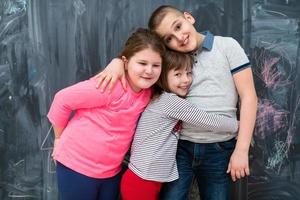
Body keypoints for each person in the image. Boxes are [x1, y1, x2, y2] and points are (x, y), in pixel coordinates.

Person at [95, 5, 257, 200]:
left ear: (189, 17)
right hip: (180, 148)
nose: (179, 37)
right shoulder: (171, 59)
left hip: (219, 148)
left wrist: (241, 149)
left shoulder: (226, 46)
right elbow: (142, 57)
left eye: (178, 26)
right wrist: (118, 62)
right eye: (169, 39)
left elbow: (248, 96)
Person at [47, 28, 165, 200]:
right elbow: (62, 99)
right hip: (77, 166)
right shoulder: (110, 85)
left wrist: (117, 61)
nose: (149, 71)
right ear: (126, 62)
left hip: (110, 172)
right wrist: (58, 138)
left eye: (156, 65)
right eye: (142, 63)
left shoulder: (148, 93)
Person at [120, 49, 239, 200]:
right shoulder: (170, 102)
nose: (186, 80)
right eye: (178, 74)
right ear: (163, 77)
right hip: (142, 181)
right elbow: (208, 120)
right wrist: (239, 125)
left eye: (189, 73)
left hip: (148, 179)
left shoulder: (162, 98)